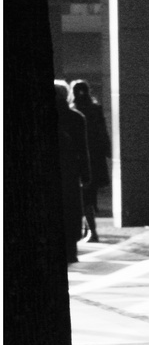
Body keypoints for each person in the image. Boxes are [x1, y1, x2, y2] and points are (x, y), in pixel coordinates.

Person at [55, 81, 90, 264]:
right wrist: (86, 175)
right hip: (69, 172)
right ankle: (70, 251)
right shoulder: (76, 118)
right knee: (70, 210)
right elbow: (83, 150)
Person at [72, 79, 109, 242]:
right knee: (90, 195)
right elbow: (103, 133)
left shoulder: (74, 111)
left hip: (80, 159)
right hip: (96, 159)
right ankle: (89, 229)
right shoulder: (96, 109)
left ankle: (91, 231)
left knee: (83, 196)